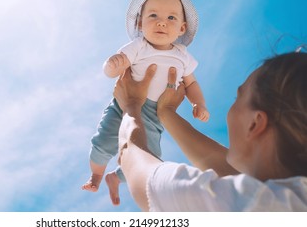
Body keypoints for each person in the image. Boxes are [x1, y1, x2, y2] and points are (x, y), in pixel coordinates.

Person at [115, 51, 307, 211]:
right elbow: (219, 165)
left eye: (237, 98)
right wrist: (166, 113)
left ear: (255, 123)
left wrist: (131, 105)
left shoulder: (257, 206)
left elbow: (139, 171)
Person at [82, 0, 210, 205]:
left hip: (154, 115)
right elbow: (117, 63)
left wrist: (198, 104)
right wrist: (113, 66)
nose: (162, 22)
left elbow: (192, 84)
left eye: (171, 18)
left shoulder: (183, 56)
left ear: (182, 28)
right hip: (123, 105)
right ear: (140, 23)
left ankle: (116, 178)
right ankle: (96, 175)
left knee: (149, 155)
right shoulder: (139, 46)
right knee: (103, 142)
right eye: (153, 15)